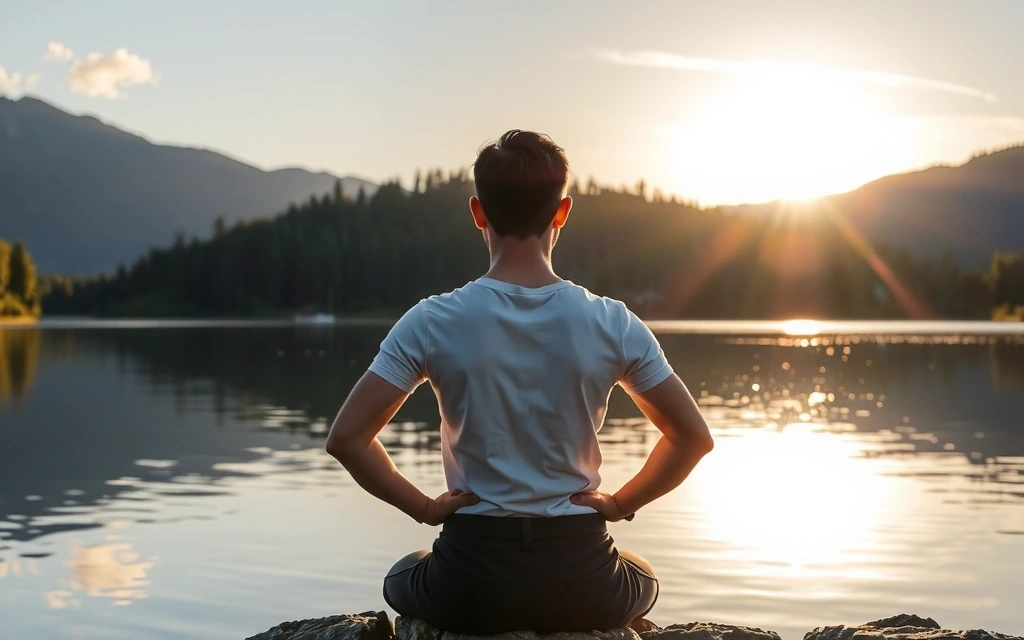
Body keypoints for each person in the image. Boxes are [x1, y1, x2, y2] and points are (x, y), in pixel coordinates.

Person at [325, 130, 713, 634]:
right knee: (643, 574)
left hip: (471, 580)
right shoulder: (612, 322)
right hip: (581, 578)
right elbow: (692, 438)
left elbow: (347, 440)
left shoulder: (431, 320)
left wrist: (424, 508)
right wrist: (620, 504)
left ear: (478, 212)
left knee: (403, 571)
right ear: (562, 212)